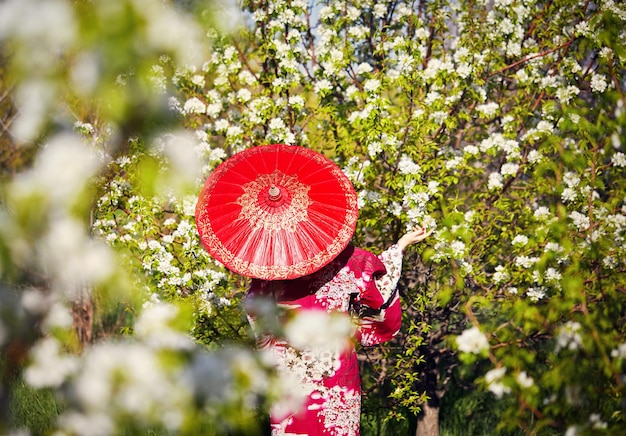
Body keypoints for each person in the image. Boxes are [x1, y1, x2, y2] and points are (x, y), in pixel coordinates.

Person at [244, 226, 432, 436]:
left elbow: (256, 311)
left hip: (289, 364)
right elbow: (378, 288)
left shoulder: (270, 269)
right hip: (335, 365)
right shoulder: (344, 261)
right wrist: (400, 246)